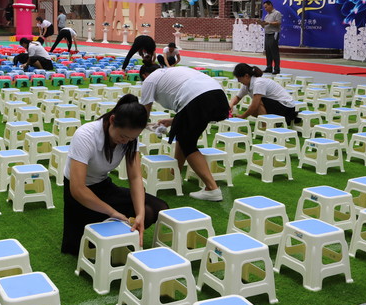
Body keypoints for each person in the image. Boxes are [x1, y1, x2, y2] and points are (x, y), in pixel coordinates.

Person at [61, 94, 169, 255]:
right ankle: (109, 229)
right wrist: (112, 212)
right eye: (123, 136)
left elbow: (135, 177)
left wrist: (140, 214)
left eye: (131, 138)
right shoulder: (86, 135)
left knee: (155, 209)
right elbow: (78, 189)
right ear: (112, 120)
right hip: (81, 196)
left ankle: (117, 233)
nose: (126, 141)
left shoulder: (130, 138)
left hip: (103, 186)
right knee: (83, 247)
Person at [139, 64, 230, 201]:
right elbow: (189, 108)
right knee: (183, 137)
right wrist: (173, 121)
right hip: (218, 95)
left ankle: (212, 189)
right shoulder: (170, 73)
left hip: (198, 98)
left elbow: (144, 112)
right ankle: (174, 174)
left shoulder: (149, 80)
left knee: (188, 144)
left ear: (144, 76)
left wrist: (140, 127)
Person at [230, 63, 298, 124]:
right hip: (279, 105)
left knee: (257, 104)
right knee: (252, 110)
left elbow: (255, 105)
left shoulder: (258, 83)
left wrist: (242, 116)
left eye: (239, 78)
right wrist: (231, 105)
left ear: (246, 76)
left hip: (287, 107)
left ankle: (265, 126)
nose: (238, 81)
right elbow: (238, 97)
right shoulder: (247, 84)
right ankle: (275, 122)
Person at [260, 0, 282, 74]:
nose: (265, 9)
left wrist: (269, 23)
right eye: (264, 7)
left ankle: (277, 68)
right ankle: (269, 67)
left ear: (270, 5)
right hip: (267, 34)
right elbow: (265, 25)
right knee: (268, 51)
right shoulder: (267, 15)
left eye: (266, 7)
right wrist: (261, 24)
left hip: (273, 33)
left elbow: (278, 23)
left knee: (274, 51)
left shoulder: (277, 13)